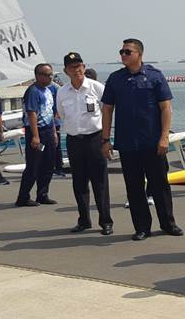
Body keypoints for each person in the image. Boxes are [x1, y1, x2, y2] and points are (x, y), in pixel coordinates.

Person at [101, 38, 183, 241]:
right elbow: (107, 110)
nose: (123, 55)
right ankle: (142, 227)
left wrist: (164, 138)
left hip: (153, 143)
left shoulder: (155, 76)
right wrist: (105, 139)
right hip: (128, 144)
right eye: (121, 52)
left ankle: (168, 223)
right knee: (134, 187)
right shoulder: (115, 79)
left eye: (127, 52)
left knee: (160, 185)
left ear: (139, 54)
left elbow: (166, 108)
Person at [56, 52, 113, 235]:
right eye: (72, 67)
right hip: (74, 140)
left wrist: (106, 139)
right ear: (66, 71)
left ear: (84, 67)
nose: (77, 70)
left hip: (95, 139)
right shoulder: (62, 92)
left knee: (100, 183)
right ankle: (84, 220)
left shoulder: (97, 87)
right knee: (79, 182)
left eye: (79, 66)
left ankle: (105, 221)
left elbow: (107, 113)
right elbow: (62, 115)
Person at [15, 63, 58, 207]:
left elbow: (50, 113)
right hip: (37, 132)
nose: (50, 77)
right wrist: (35, 136)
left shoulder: (48, 90)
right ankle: (23, 197)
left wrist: (53, 133)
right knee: (34, 165)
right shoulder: (33, 91)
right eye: (47, 74)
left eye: (51, 74)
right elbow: (31, 113)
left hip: (48, 131)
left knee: (48, 164)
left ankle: (42, 194)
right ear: (38, 76)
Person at [48, 81, 66, 177]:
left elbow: (61, 102)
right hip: (43, 123)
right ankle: (48, 166)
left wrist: (58, 114)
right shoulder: (36, 89)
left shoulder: (55, 87)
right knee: (44, 145)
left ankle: (59, 167)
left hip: (55, 122)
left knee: (56, 145)